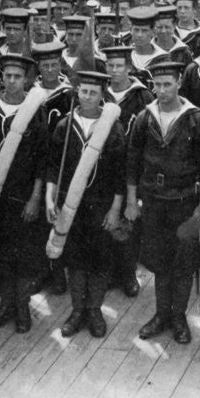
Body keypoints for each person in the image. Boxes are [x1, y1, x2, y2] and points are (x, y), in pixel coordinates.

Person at [125, 61, 200, 345]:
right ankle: (162, 314)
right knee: (160, 261)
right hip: (153, 201)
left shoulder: (195, 119)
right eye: (157, 85)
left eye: (167, 84)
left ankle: (179, 317)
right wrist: (131, 201)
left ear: (179, 84)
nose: (161, 91)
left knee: (184, 262)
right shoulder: (144, 118)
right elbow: (133, 163)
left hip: (185, 202)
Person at [45, 71, 128, 338]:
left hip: (101, 203)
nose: (88, 97)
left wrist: (116, 209)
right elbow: (53, 166)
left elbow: (119, 173)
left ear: (102, 94)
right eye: (83, 91)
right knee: (75, 258)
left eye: (93, 92)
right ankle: (77, 309)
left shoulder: (112, 128)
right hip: (71, 204)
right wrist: (49, 198)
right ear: (76, 92)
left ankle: (94, 309)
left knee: (101, 257)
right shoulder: (65, 126)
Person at [0, 54, 49, 333]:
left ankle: (22, 307)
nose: (11, 81)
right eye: (7, 76)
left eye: (17, 77)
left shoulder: (34, 110)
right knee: (1, 253)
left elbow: (43, 161)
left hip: (24, 194)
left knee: (24, 255)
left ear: (26, 79)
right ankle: (6, 305)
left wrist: (35, 198)